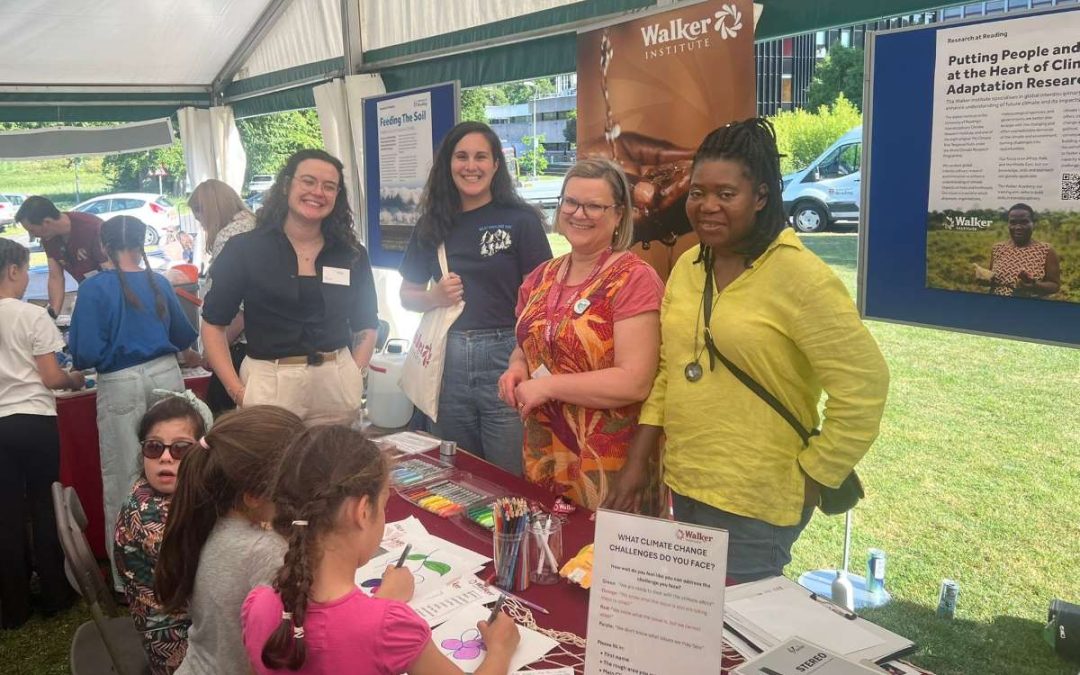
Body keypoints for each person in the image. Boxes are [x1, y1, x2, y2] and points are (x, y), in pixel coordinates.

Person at [604, 119, 890, 582]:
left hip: (759, 503)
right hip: (688, 483)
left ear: (760, 196)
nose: (707, 206)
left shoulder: (801, 278)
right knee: (693, 627)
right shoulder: (688, 268)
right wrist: (638, 462)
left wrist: (814, 477)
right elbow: (669, 372)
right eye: (697, 193)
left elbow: (864, 387)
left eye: (725, 194)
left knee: (736, 642)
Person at [242, 424, 520, 674]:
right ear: (363, 512)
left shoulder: (258, 606)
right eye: (384, 505)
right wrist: (500, 650)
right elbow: (355, 633)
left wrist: (384, 603)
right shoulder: (391, 629)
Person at [498, 159, 664, 511]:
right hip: (544, 455)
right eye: (570, 202)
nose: (579, 213)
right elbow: (528, 345)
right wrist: (517, 369)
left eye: (594, 206)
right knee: (550, 555)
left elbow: (634, 382)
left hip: (609, 467)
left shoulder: (633, 279)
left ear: (619, 215)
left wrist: (546, 386)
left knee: (598, 562)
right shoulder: (541, 276)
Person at [399, 121, 552, 474]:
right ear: (448, 165)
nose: (472, 166)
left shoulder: (520, 221)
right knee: (457, 472)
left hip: (507, 358)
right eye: (462, 156)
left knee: (510, 476)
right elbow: (407, 295)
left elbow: (544, 299)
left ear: (496, 164)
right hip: (446, 362)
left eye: (481, 156)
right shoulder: (431, 224)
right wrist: (434, 297)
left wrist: (527, 363)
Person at [202, 150, 379, 426]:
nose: (318, 192)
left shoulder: (351, 254)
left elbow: (367, 323)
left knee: (334, 467)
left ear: (337, 196)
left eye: (329, 186)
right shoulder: (245, 249)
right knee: (270, 468)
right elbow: (213, 325)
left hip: (336, 383)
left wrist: (355, 372)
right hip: (269, 382)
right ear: (286, 186)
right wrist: (237, 391)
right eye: (308, 181)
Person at [67, 215, 198, 589]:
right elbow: (182, 334)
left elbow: (85, 352)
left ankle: (128, 579)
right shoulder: (158, 281)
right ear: (141, 244)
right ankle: (182, 562)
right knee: (178, 471)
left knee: (123, 476)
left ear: (103, 247)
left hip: (121, 380)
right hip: (164, 373)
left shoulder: (94, 289)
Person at [155, 405, 304, 675]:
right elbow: (297, 648)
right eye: (295, 480)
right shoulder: (265, 550)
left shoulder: (208, 519)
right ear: (254, 496)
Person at [0, 238, 83, 629]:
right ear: (14, 270)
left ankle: (13, 606)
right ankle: (54, 593)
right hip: (33, 420)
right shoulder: (31, 315)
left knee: (6, 514)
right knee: (44, 506)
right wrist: (74, 377)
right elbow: (52, 378)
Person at [114, 391, 212, 673]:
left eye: (180, 448)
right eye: (154, 447)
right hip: (177, 644)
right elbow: (205, 581)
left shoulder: (174, 494)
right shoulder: (150, 514)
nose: (166, 458)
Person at [187, 179, 257, 413]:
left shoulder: (230, 237)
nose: (203, 226)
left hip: (240, 348)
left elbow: (237, 308)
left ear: (208, 210)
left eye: (200, 219)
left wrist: (214, 351)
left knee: (222, 421)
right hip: (262, 345)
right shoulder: (255, 225)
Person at [15, 195, 110, 317]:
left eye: (32, 230)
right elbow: (55, 277)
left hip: (111, 294)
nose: (32, 236)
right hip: (89, 293)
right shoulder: (48, 237)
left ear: (47, 223)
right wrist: (52, 315)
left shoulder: (92, 228)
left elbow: (111, 271)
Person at [975, 203, 1061, 298]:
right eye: (1013, 222)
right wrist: (985, 279)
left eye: (1024, 222)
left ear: (1033, 224)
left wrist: (1035, 285)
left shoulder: (1046, 250)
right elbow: (993, 279)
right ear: (1008, 224)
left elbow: (1055, 286)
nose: (1018, 227)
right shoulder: (997, 248)